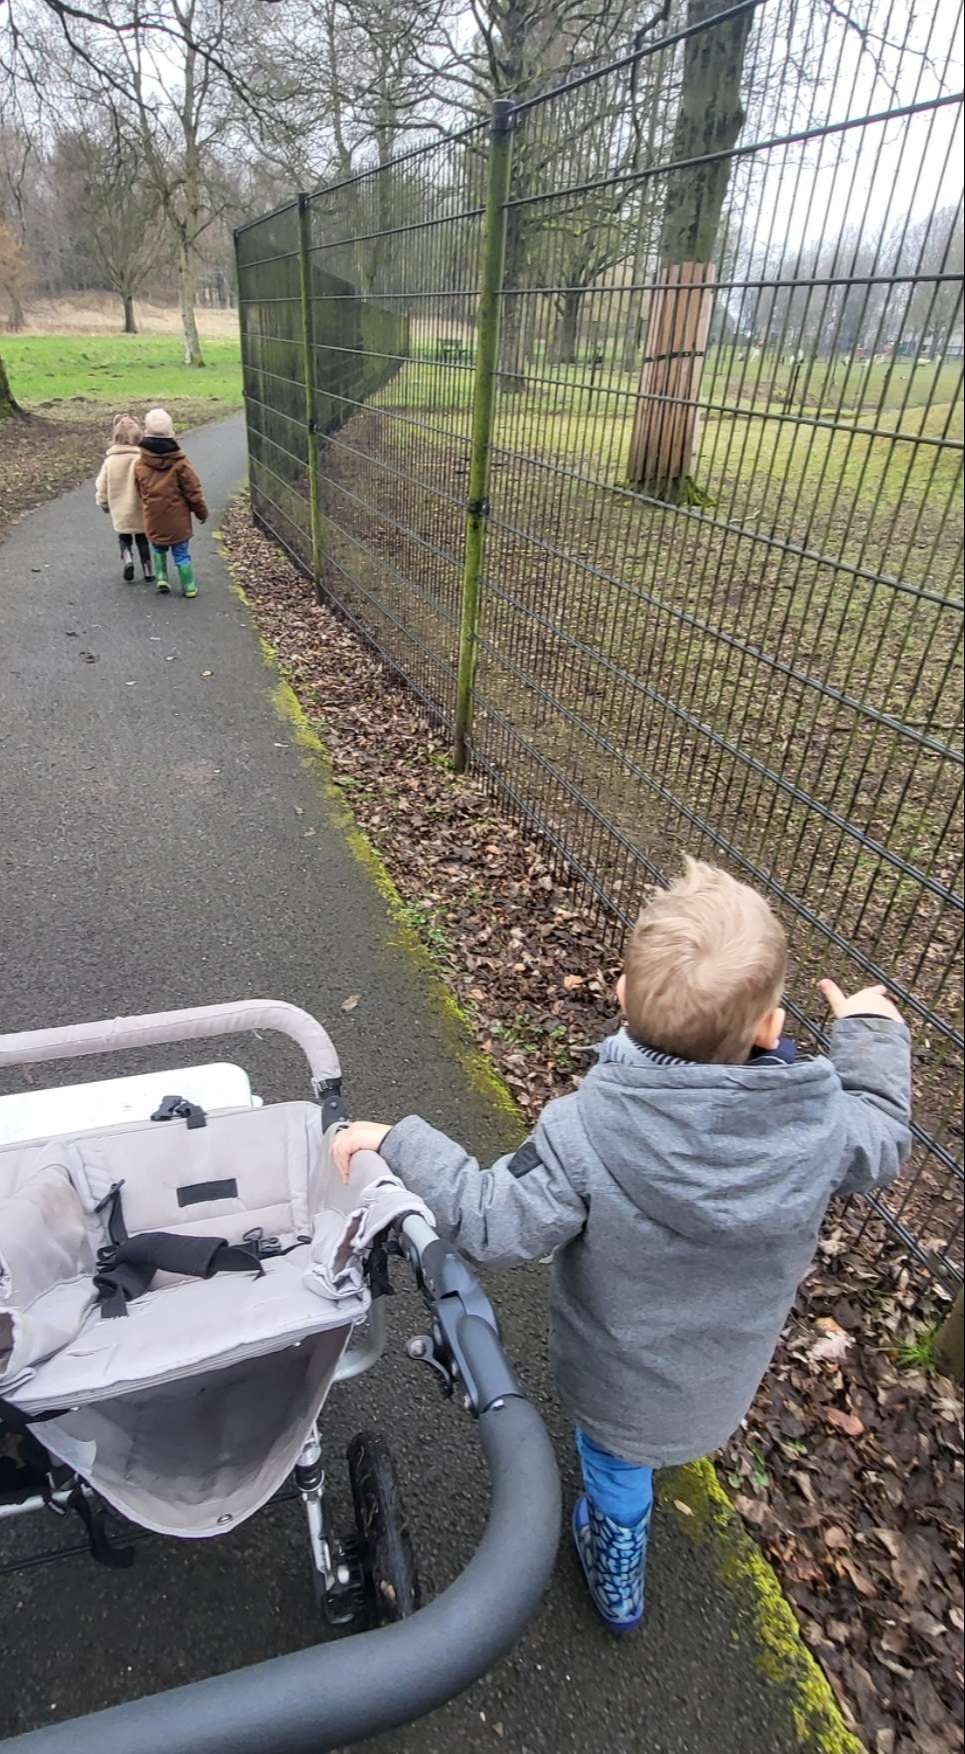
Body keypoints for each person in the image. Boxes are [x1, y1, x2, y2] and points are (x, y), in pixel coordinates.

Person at [333, 856, 912, 1635]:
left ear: (621, 999)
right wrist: (870, 1032)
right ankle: (648, 1497)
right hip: (724, 1373)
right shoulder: (820, 1126)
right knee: (663, 1437)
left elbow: (489, 1219)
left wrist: (397, 1141)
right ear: (771, 1028)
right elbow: (880, 1127)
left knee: (616, 1471)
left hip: (615, 1382)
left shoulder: (586, 1134)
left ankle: (616, 1570)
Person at [134, 407, 208, 598]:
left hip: (154, 517)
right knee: (181, 553)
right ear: (172, 433)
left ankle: (161, 577)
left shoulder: (140, 464)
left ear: (145, 433)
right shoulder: (180, 463)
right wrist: (201, 512)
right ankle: (189, 586)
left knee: (157, 546)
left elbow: (139, 489)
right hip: (178, 521)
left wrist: (148, 503)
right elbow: (193, 491)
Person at [94, 414, 154, 585]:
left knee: (124, 537)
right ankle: (148, 569)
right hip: (140, 508)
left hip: (120, 509)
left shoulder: (110, 461)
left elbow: (102, 485)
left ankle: (127, 558)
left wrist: (103, 502)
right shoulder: (141, 459)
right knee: (143, 539)